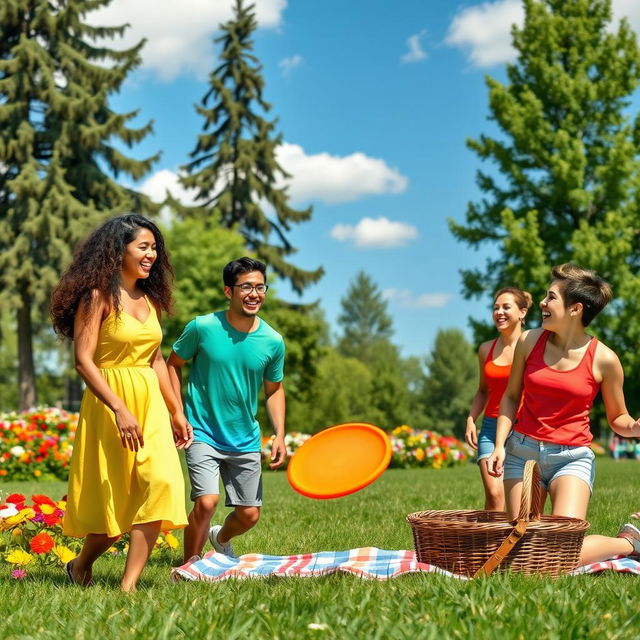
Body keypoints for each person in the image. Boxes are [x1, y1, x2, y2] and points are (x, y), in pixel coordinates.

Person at [50, 214, 191, 592]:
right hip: (110, 402)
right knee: (115, 507)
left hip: (150, 404)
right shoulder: (97, 298)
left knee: (160, 483)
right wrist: (119, 408)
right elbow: (84, 361)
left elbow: (156, 359)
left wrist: (177, 411)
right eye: (143, 247)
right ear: (118, 251)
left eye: (154, 247)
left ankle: (127, 587)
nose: (152, 254)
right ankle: (80, 566)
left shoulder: (152, 301)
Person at [487, 264, 640, 522]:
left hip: (571, 458)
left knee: (564, 546)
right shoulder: (529, 341)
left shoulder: (604, 359)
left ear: (575, 309)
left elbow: (618, 418)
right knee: (522, 543)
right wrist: (499, 445)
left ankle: (630, 541)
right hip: (522, 453)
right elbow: (511, 396)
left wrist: (635, 428)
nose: (543, 303)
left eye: (551, 298)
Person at [166, 257, 286, 563]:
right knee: (206, 502)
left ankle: (219, 538)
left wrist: (280, 434)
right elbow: (173, 364)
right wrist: (177, 412)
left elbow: (274, 389)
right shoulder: (202, 327)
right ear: (228, 291)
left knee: (249, 515)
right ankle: (189, 567)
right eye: (246, 286)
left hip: (244, 437)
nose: (254, 293)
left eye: (260, 287)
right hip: (202, 430)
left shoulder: (273, 341)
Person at [465, 287, 532, 511]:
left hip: (524, 428)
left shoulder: (535, 346)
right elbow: (483, 390)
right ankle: (489, 545)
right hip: (491, 427)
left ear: (522, 312)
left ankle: (510, 542)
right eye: (495, 308)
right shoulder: (486, 349)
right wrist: (471, 418)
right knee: (495, 494)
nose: (499, 312)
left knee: (521, 502)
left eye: (506, 307)